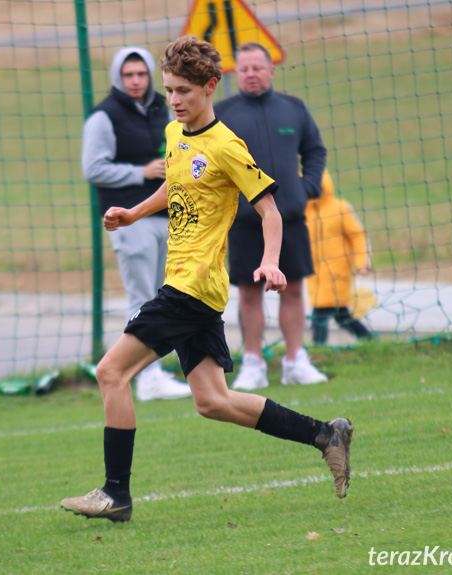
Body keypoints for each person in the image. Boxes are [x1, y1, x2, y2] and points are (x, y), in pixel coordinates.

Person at [60, 36, 353, 523]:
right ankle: (327, 435)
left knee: (110, 372)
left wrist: (272, 261)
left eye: (183, 92)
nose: (173, 100)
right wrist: (133, 213)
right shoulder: (176, 136)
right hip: (189, 287)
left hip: (191, 289)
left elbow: (270, 211)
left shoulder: (226, 145)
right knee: (212, 401)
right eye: (169, 90)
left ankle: (116, 494)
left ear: (211, 87)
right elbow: (175, 185)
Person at [215, 42, 328, 390]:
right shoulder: (223, 112)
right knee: (249, 293)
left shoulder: (293, 109)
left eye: (257, 67)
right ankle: (252, 363)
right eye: (244, 68)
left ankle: (296, 360)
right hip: (246, 222)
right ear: (236, 72)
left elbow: (314, 151)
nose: (251, 74)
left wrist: (306, 187)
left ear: (271, 70)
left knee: (293, 290)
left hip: (291, 219)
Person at [82, 47, 192, 401]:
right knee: (141, 297)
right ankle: (147, 377)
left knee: (165, 296)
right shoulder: (104, 116)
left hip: (168, 216)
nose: (135, 81)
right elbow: (93, 168)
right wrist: (139, 172)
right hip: (130, 220)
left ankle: (159, 372)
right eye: (128, 75)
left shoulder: (166, 106)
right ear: (118, 77)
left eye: (141, 74)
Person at [306, 169, 375, 345]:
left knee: (320, 315)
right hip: (315, 275)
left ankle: (318, 348)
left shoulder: (340, 208)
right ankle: (369, 340)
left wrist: (362, 262)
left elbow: (358, 235)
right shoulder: (305, 212)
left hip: (338, 274)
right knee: (341, 315)